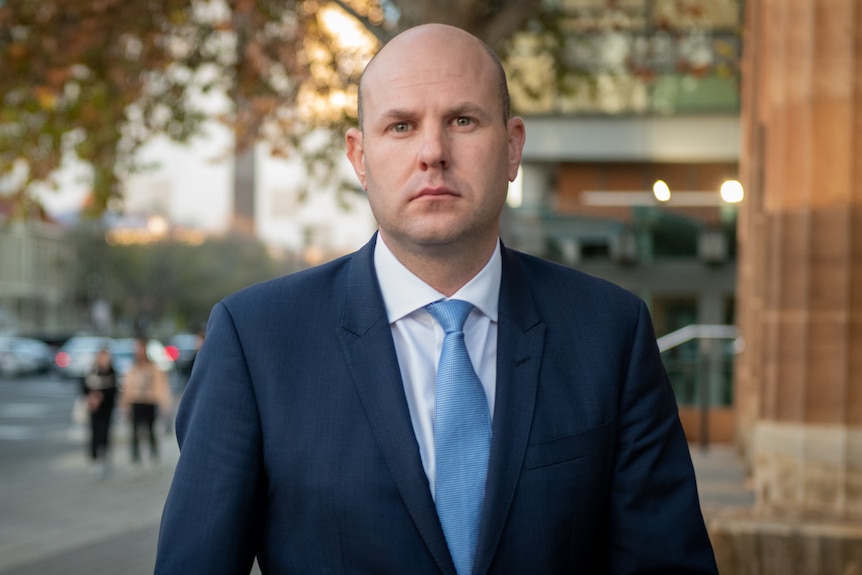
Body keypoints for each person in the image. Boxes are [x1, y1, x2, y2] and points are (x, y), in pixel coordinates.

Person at [156, 23, 717, 574]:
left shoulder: (609, 333)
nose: (433, 152)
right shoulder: (255, 341)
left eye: (463, 120)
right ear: (359, 156)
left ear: (513, 146)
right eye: (400, 126)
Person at [119, 337, 171, 469]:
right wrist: (125, 404)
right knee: (135, 432)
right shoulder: (132, 368)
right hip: (136, 401)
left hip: (149, 401)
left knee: (151, 429)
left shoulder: (153, 367)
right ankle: (136, 459)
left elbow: (160, 385)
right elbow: (127, 387)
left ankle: (154, 456)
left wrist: (163, 402)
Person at [81, 347, 117, 478]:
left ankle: (104, 458)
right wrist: (91, 398)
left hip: (106, 410)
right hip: (94, 410)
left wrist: (101, 397)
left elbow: (114, 391)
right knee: (94, 434)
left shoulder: (112, 372)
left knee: (105, 433)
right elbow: (84, 387)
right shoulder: (92, 371)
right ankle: (94, 459)